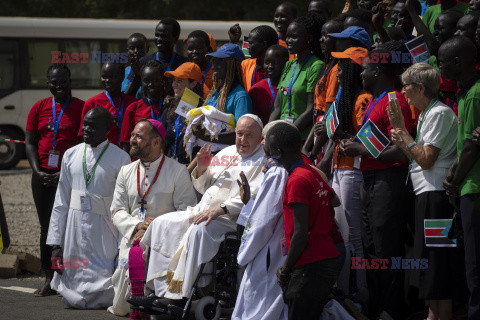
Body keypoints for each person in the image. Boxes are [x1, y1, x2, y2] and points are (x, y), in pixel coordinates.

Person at [131, 115, 265, 310]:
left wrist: (221, 209)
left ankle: (180, 297)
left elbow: (253, 196)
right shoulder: (227, 152)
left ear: (260, 137)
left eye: (249, 135)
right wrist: (202, 169)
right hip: (202, 210)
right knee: (161, 223)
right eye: (239, 134)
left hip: (231, 218)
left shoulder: (263, 160)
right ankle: (156, 292)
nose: (242, 140)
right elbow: (204, 187)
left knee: (199, 229)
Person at [339, 46, 413, 319]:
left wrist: (361, 150)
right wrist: (354, 142)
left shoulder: (395, 101)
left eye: (366, 68)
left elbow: (404, 150)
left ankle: (391, 309)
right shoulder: (375, 99)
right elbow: (374, 140)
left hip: (388, 180)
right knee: (370, 247)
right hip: (369, 178)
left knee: (385, 247)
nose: (361, 73)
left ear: (378, 71)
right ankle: (376, 304)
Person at [387, 63, 465, 320]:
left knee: (437, 257)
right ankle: (434, 314)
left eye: (406, 87)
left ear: (420, 87)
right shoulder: (426, 115)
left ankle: (442, 315)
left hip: (436, 196)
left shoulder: (439, 114)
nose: (403, 93)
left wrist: (405, 138)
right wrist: (402, 138)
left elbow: (427, 159)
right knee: (430, 258)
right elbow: (417, 156)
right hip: (426, 194)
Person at [108, 119, 197, 316]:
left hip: (164, 244)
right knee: (122, 306)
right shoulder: (126, 171)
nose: (132, 140)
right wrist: (138, 224)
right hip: (133, 239)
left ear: (156, 142)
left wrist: (155, 227)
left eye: (138, 137)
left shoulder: (178, 171)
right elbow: (116, 210)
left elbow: (187, 212)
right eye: (132, 135)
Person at [46, 107, 130, 308]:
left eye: (92, 126)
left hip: (105, 227)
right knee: (75, 267)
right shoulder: (70, 154)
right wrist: (56, 244)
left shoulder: (121, 158)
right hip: (74, 227)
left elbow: (124, 206)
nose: (85, 129)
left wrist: (121, 244)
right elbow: (61, 201)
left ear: (107, 128)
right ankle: (73, 295)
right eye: (85, 124)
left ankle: (105, 298)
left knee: (103, 267)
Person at [270, 122, 340, 320]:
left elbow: (300, 234)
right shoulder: (311, 173)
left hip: (310, 265)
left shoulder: (297, 180)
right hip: (324, 258)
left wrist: (286, 269)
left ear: (277, 151)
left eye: (269, 148)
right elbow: (334, 203)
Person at [25, 63, 84, 297]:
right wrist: (38, 171)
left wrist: (64, 173)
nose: (58, 86)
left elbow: (83, 143)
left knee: (69, 227)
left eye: (62, 81)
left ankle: (66, 277)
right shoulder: (38, 107)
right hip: (42, 176)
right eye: (53, 82)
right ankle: (49, 278)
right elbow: (30, 142)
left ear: (69, 80)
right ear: (47, 83)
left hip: (68, 176)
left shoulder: (80, 107)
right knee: (47, 228)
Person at [439, 36, 480, 320]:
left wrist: (454, 181)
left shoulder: (476, 93)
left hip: (474, 187)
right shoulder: (465, 93)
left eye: (443, 62)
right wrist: (453, 174)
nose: (440, 68)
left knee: (475, 261)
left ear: (458, 62)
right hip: (466, 185)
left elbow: (472, 146)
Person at [232, 120, 290, 320]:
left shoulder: (277, 172)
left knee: (258, 306)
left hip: (269, 251)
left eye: (266, 138)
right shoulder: (278, 169)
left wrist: (244, 254)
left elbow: (263, 223)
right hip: (274, 248)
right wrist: (248, 201)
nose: (262, 142)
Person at [269, 14, 325, 141]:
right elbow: (277, 107)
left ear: (309, 38)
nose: (288, 40)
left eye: (294, 37)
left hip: (299, 138)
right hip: (279, 135)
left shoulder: (316, 66)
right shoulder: (289, 65)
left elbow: (311, 109)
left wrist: (287, 135)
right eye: (287, 36)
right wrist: (268, 131)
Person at [194, 43, 251, 147]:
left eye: (220, 62)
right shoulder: (215, 92)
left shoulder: (240, 97)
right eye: (214, 61)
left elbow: (242, 136)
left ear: (232, 66)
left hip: (224, 157)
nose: (214, 66)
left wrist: (206, 137)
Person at [126, 18, 188, 97]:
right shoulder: (143, 62)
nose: (159, 39)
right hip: (148, 108)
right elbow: (129, 96)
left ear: (175, 38)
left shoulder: (184, 64)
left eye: (164, 36)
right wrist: (137, 77)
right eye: (157, 35)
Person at [79, 62, 137, 146]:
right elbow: (83, 136)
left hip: (129, 153)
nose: (107, 81)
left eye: (112, 77)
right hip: (102, 154)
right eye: (104, 77)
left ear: (122, 77)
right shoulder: (92, 103)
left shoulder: (133, 103)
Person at [120, 60, 167, 153]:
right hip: (140, 163)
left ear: (162, 81)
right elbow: (126, 144)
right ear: (141, 83)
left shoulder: (169, 106)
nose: (150, 84)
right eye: (146, 81)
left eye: (155, 80)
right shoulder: (133, 108)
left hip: (165, 162)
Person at [164, 62, 205, 164]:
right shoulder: (170, 108)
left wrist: (188, 171)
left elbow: (204, 148)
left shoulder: (203, 111)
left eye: (179, 81)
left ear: (193, 83)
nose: (174, 85)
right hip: (169, 168)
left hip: (191, 171)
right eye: (173, 80)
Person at [248, 45, 289, 125]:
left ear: (286, 64)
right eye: (267, 62)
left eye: (275, 63)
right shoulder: (256, 90)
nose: (270, 66)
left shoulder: (293, 87)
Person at [241, 25, 278, 92]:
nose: (248, 47)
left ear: (264, 44)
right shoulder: (246, 64)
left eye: (251, 43)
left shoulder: (280, 68)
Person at [185, 30, 214, 98]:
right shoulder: (183, 72)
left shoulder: (216, 73)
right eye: (190, 49)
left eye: (199, 48)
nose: (194, 52)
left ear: (208, 49)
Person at [122, 33, 149, 99]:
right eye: (132, 48)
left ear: (147, 49)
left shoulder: (153, 71)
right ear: (128, 51)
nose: (136, 51)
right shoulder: (123, 72)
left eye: (140, 48)